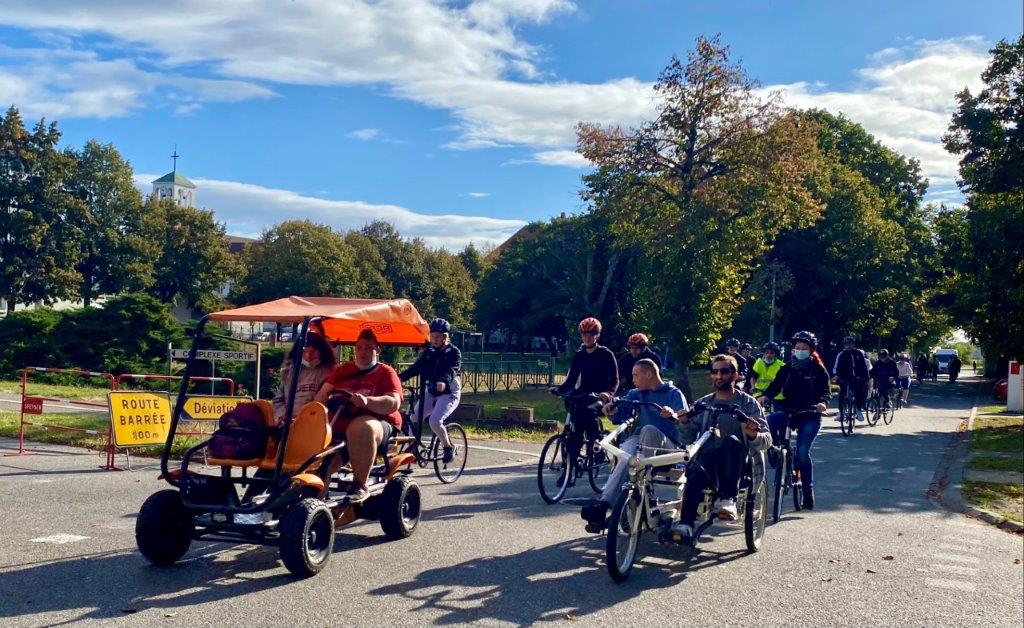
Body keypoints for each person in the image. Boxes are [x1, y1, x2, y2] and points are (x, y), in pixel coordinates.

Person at [580, 359, 688, 532]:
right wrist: (610, 410)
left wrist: (673, 414)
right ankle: (604, 504)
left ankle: (635, 484)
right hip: (641, 449)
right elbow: (619, 412)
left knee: (647, 430)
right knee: (627, 452)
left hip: (667, 449)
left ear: (649, 374)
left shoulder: (673, 393)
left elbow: (684, 421)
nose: (634, 379)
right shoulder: (636, 393)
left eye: (636, 375)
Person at [674, 354, 770, 537]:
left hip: (740, 464)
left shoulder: (748, 404)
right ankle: (685, 524)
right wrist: (684, 423)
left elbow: (767, 440)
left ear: (735, 375)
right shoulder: (704, 403)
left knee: (730, 442)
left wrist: (752, 433)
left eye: (724, 371)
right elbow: (687, 439)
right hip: (708, 462)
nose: (719, 376)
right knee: (695, 465)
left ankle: (728, 500)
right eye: (714, 371)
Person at [316, 329, 403, 503]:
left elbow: (393, 402)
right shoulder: (343, 370)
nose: (363, 351)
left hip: (377, 422)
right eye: (359, 347)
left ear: (377, 351)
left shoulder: (386, 372)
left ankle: (360, 484)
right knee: (319, 459)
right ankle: (315, 499)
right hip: (340, 424)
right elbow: (321, 395)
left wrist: (367, 401)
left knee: (361, 426)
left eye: (368, 347)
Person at [759, 331, 831, 509]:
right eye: (797, 348)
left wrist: (822, 403)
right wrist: (763, 397)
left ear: (811, 350)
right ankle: (776, 450)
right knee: (766, 423)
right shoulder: (787, 368)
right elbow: (774, 387)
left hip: (810, 414)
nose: (799, 351)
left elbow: (825, 392)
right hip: (788, 411)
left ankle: (807, 491)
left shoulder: (818, 369)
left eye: (804, 348)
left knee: (802, 451)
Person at [549, 317, 618, 460]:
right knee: (574, 429)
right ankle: (570, 468)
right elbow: (571, 380)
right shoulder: (579, 355)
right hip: (582, 394)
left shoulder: (606, 354)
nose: (587, 337)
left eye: (591, 334)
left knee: (588, 412)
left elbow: (615, 380)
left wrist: (608, 393)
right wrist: (559, 390)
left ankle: (597, 448)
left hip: (599, 396)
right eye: (584, 334)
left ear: (597, 335)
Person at [399, 318, 462, 463]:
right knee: (412, 420)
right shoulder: (429, 352)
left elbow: (452, 370)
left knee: (435, 421)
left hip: (449, 393)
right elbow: (417, 368)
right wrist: (399, 378)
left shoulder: (454, 352)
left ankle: (448, 447)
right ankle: (413, 448)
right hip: (431, 391)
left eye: (438, 336)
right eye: (432, 336)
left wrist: (443, 381)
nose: (434, 339)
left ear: (446, 336)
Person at [272, 331, 336, 423]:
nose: (308, 356)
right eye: (304, 351)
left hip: (314, 423)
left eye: (313, 351)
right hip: (288, 422)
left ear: (322, 351)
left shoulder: (329, 372)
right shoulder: (290, 371)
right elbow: (278, 399)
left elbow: (327, 402)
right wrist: (283, 415)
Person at [832, 335, 871, 422]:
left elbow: (864, 367)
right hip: (844, 377)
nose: (849, 346)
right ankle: (841, 412)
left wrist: (866, 378)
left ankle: (858, 410)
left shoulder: (859, 353)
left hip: (858, 378)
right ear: (844, 345)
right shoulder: (841, 354)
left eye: (851, 344)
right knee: (842, 394)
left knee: (859, 393)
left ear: (854, 344)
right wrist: (837, 375)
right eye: (847, 344)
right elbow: (837, 367)